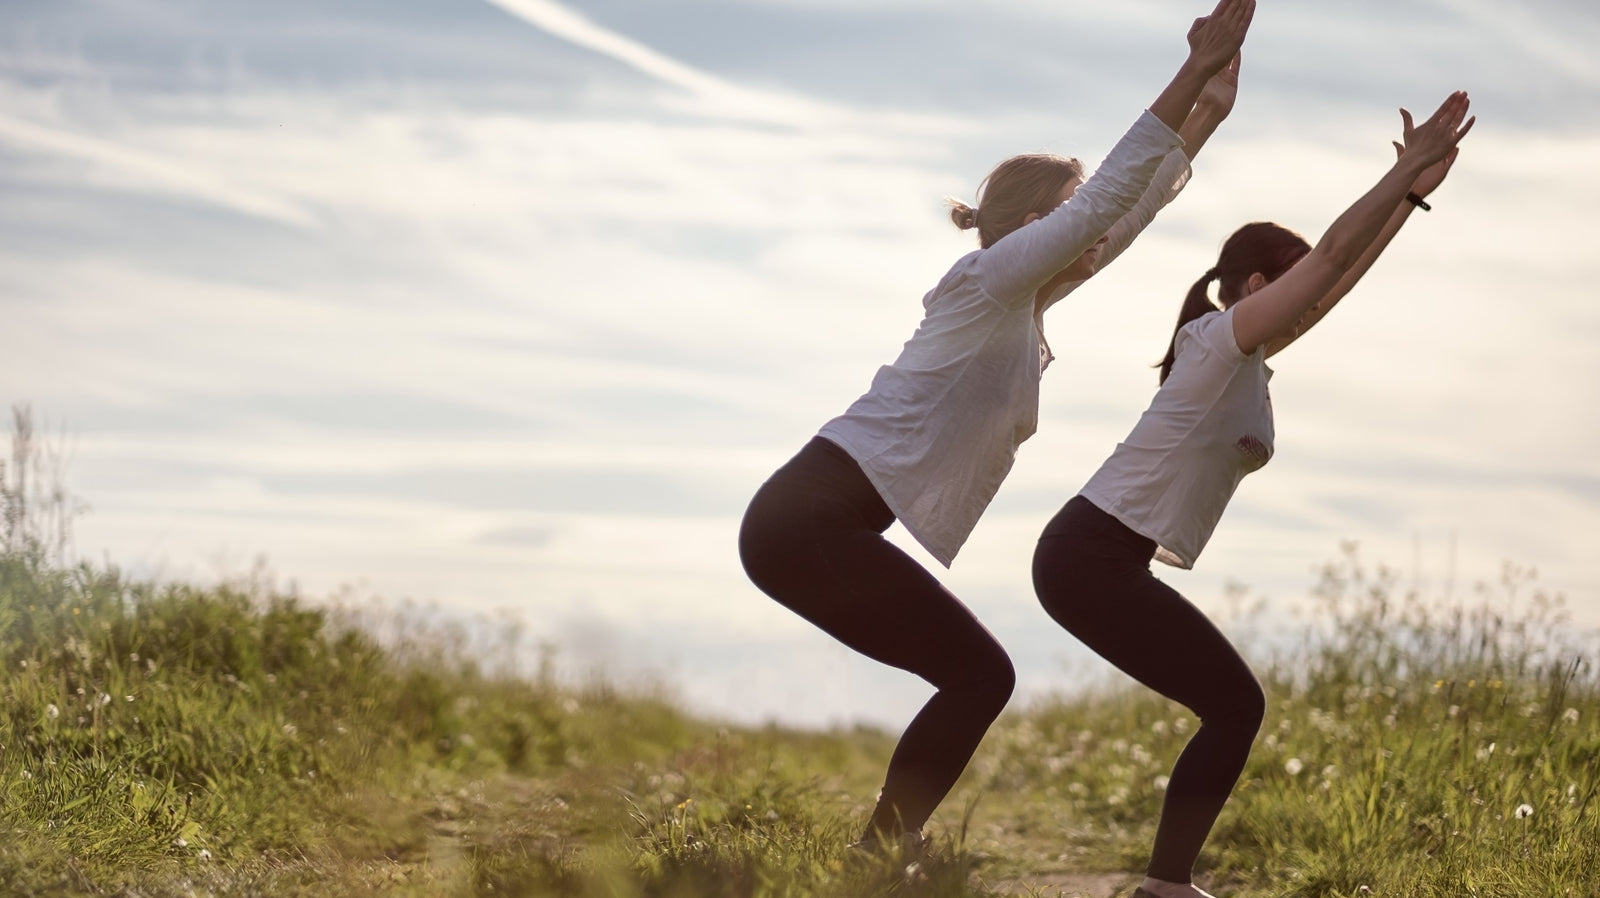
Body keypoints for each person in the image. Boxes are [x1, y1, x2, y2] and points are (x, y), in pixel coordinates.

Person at [738, 0, 1257, 851]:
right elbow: (1102, 212)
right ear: (1029, 229)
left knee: (973, 676)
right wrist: (1190, 73)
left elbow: (1122, 219)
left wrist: (1203, 121)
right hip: (806, 519)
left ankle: (877, 856)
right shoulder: (987, 280)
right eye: (1068, 210)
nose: (1087, 221)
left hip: (808, 525)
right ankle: (880, 857)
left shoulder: (1021, 305)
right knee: (980, 674)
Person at [1031, 92, 1475, 898]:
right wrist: (1401, 169)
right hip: (1088, 555)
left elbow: (1337, 280)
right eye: (1292, 283)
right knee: (1236, 706)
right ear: (1257, 283)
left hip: (1098, 557)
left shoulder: (1245, 356)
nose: (1307, 297)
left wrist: (1409, 198)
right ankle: (1166, 886)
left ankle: (1166, 882)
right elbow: (1332, 260)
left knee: (1232, 707)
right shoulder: (1216, 343)